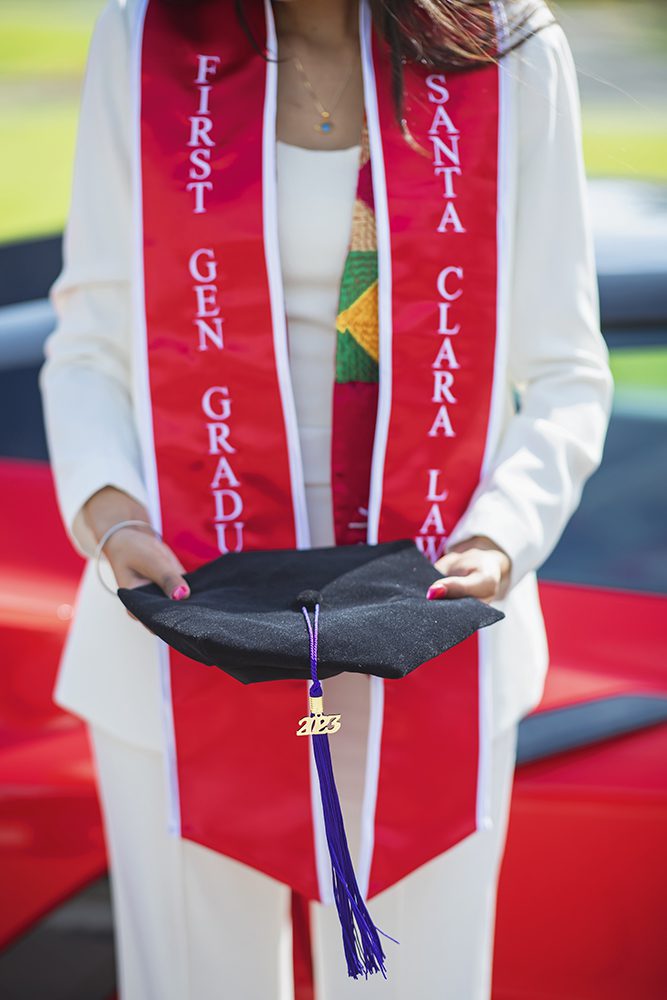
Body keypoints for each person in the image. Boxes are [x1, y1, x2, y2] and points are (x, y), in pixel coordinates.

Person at [39, 0, 614, 997]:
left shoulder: (507, 47)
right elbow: (90, 343)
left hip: (423, 622)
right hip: (182, 614)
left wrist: (501, 538)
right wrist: (111, 513)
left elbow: (566, 371)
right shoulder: (143, 41)